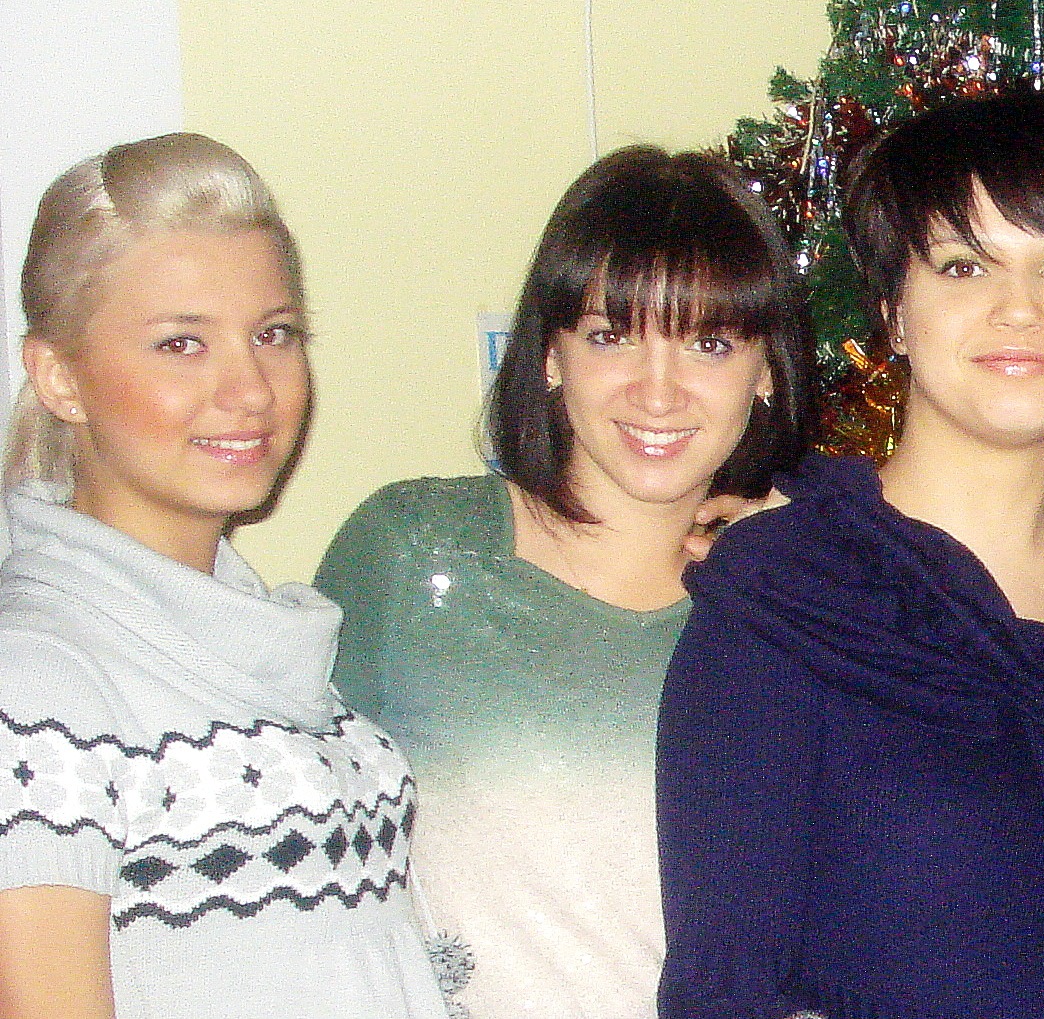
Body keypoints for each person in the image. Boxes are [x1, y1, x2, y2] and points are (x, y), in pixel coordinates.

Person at [657, 92, 1044, 1019]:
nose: (1019, 309)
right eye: (962, 265)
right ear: (893, 314)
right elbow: (724, 992)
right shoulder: (784, 604)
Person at [316, 145, 815, 1019]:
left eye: (707, 343)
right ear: (550, 355)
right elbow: (285, 864)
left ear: (766, 369)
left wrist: (813, 563)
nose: (657, 391)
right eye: (610, 336)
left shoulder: (805, 607)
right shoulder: (413, 552)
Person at [0, 133, 450, 1019]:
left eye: (273, 334)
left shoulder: (270, 654)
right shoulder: (41, 683)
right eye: (181, 344)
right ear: (58, 377)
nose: (250, 389)